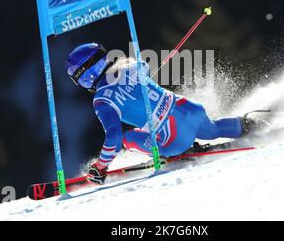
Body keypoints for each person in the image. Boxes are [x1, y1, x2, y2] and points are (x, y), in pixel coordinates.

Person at [65, 43, 256, 184]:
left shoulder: (102, 100)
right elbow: (145, 68)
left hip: (174, 138)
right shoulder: (128, 65)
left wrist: (101, 166)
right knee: (213, 129)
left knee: (125, 138)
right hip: (191, 109)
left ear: (84, 76)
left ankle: (181, 150)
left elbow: (114, 138)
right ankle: (247, 125)